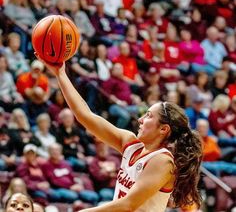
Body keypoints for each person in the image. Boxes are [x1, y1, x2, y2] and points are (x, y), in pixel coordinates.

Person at [35, 55, 203, 211]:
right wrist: (60, 73)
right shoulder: (130, 143)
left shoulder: (163, 161)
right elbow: (84, 115)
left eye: (149, 116)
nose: (140, 120)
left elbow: (129, 204)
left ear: (163, 129)